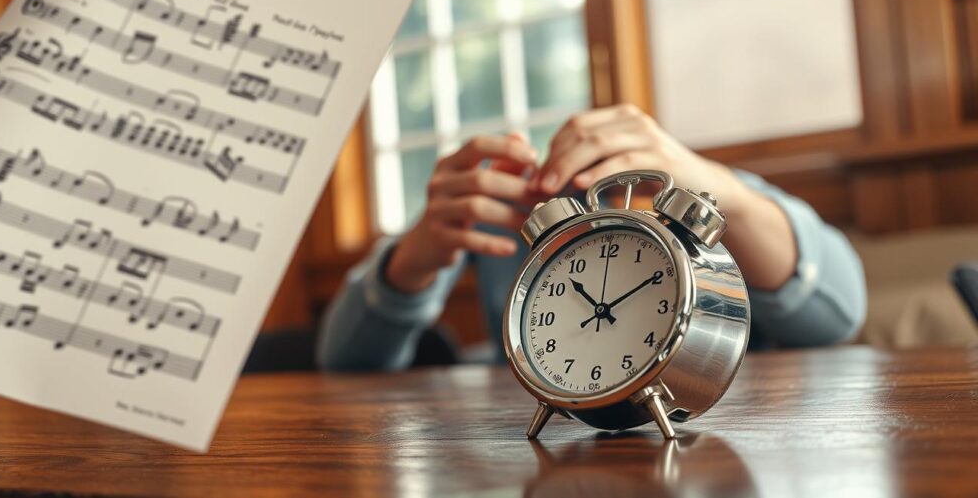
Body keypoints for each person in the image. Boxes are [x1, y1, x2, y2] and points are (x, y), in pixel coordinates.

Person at [317, 104, 867, 371]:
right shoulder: (510, 221)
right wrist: (411, 262)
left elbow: (841, 314)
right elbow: (341, 362)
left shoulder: (683, 190)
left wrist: (714, 183)